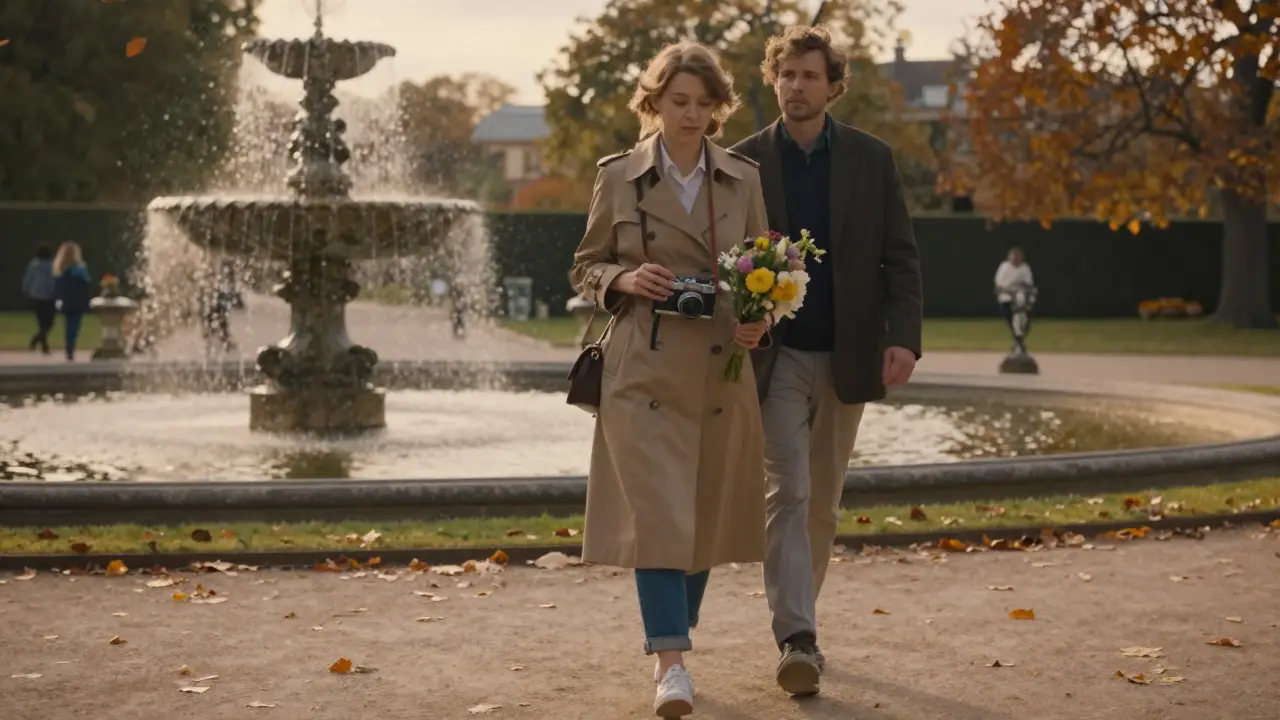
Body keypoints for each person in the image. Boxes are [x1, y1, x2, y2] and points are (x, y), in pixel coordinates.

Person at [568, 40, 772, 718]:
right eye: (678, 101)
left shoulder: (742, 178)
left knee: (702, 517)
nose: (691, 114)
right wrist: (626, 278)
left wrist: (759, 320)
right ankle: (671, 665)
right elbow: (586, 266)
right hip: (641, 371)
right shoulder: (619, 176)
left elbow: (767, 271)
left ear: (718, 108)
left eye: (703, 103)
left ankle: (673, 633)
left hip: (719, 369)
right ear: (653, 101)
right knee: (658, 517)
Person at [731, 25, 923, 696]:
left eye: (810, 75)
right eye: (787, 74)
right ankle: (798, 637)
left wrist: (903, 337)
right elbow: (723, 256)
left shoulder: (872, 159)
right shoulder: (743, 161)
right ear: (774, 79)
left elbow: (900, 256)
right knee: (788, 491)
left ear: (833, 87)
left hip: (848, 355)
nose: (796, 85)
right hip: (776, 357)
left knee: (823, 506)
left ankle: (800, 623)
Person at [52, 241, 93, 362]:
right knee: (75, 324)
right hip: (78, 300)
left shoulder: (60, 269)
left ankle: (69, 345)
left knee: (68, 324)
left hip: (66, 300)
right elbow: (86, 284)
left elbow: (57, 287)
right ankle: (71, 345)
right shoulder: (81, 269)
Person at [994, 246, 1035, 350]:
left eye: (1018, 257)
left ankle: (1018, 342)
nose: (1015, 259)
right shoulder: (1004, 267)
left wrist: (1020, 289)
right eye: (1013, 257)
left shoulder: (1025, 268)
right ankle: (1018, 342)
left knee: (1024, 323)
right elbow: (999, 285)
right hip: (1006, 298)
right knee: (1012, 322)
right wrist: (1011, 291)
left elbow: (1029, 284)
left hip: (1021, 300)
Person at [21, 245, 57, 355]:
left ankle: (36, 340)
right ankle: (43, 345)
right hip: (49, 297)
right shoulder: (53, 265)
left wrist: (25, 289)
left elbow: (28, 278)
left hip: (36, 296)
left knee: (42, 322)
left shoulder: (34, 265)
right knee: (49, 323)